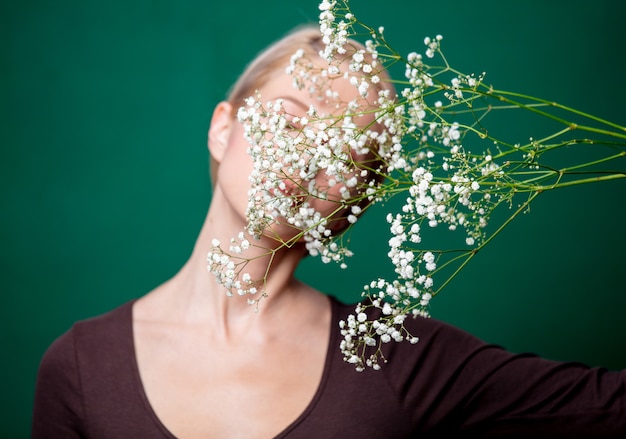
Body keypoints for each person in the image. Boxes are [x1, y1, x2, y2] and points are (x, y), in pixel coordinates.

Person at [32, 24, 626, 439]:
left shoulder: (393, 356)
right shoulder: (82, 366)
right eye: (290, 117)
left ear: (361, 201)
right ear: (222, 129)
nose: (309, 156)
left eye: (346, 150)